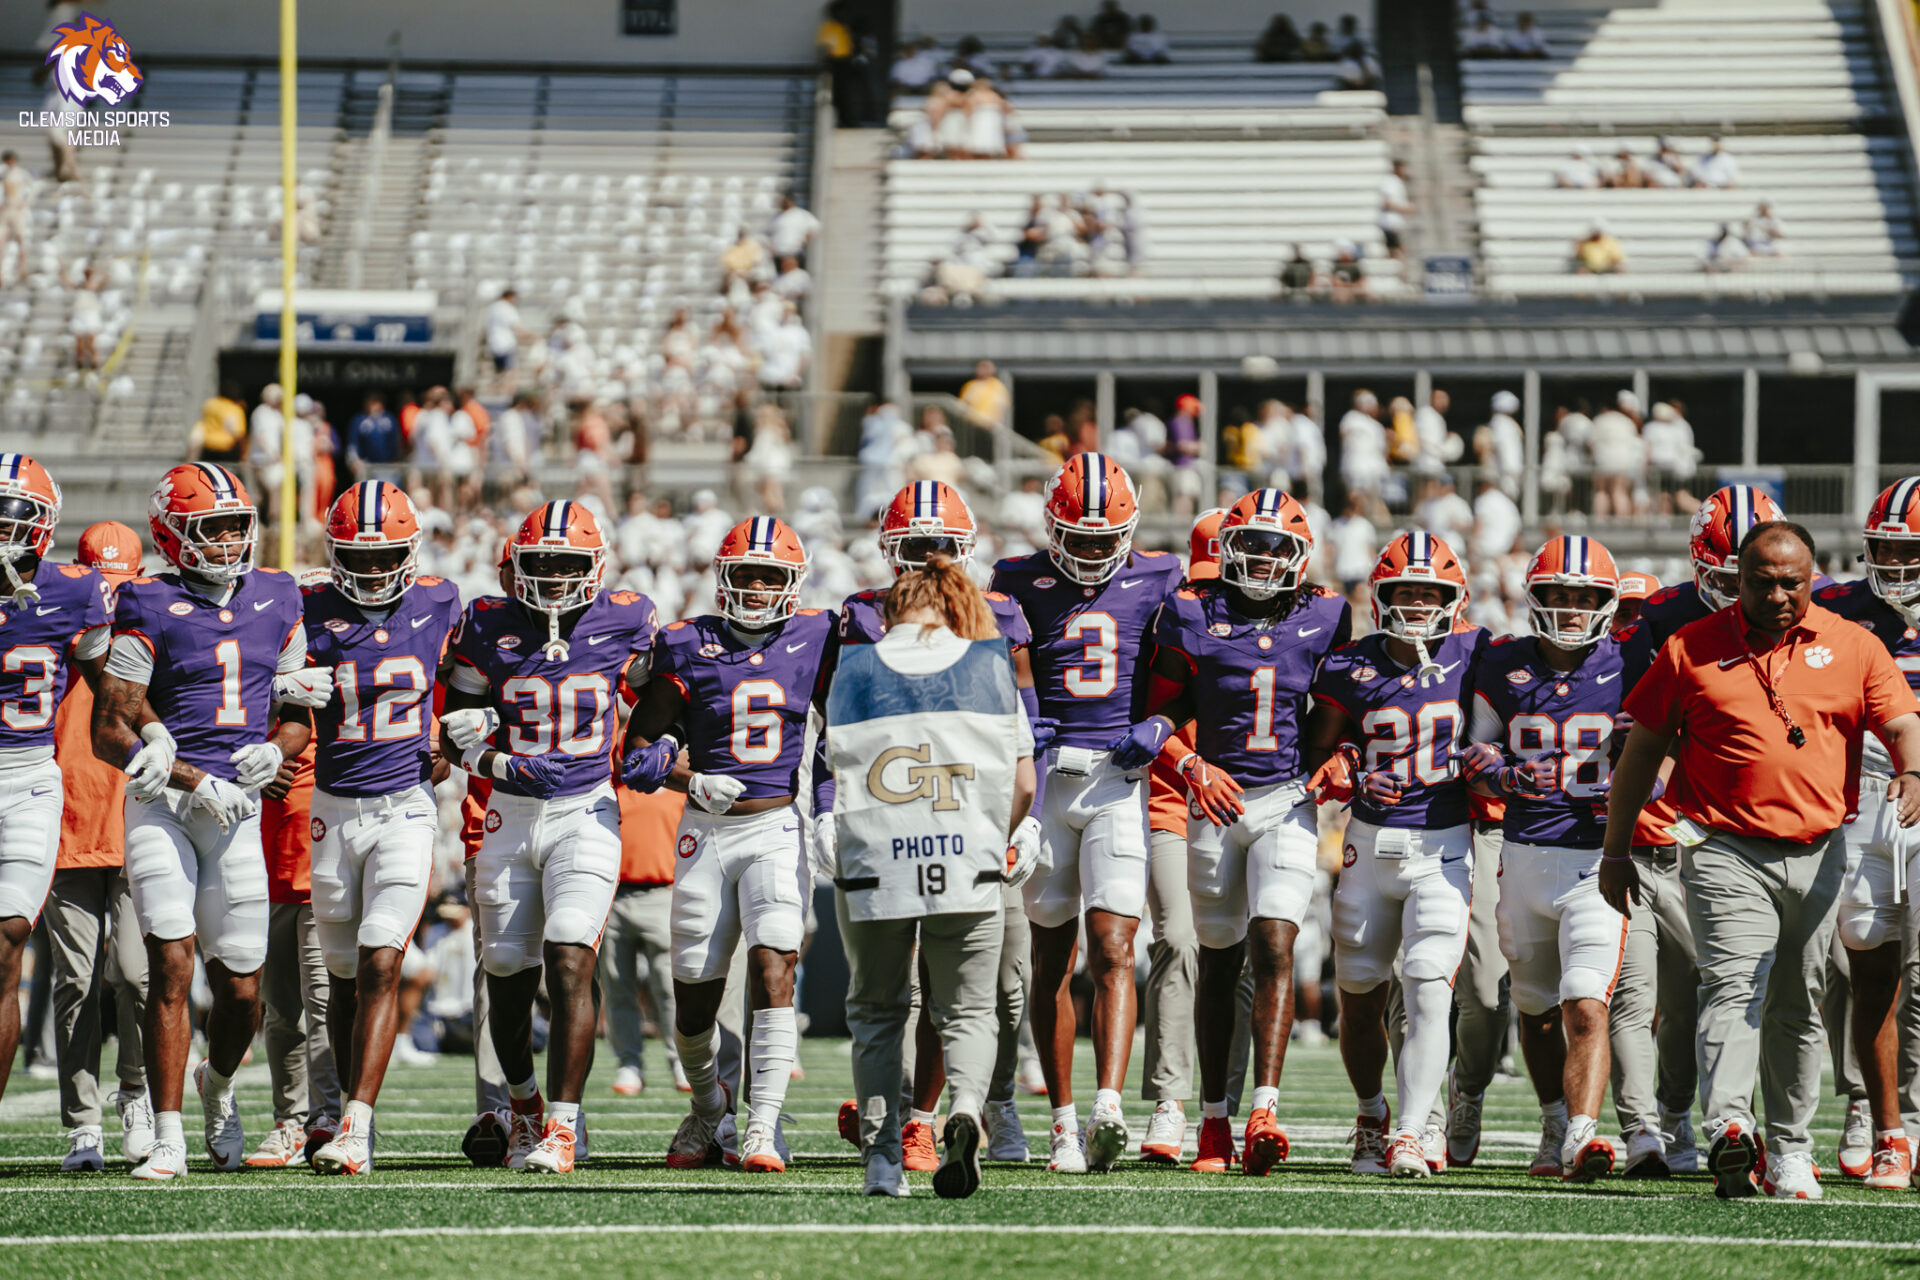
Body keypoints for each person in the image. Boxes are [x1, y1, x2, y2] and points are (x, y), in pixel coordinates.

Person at [1603, 521, 1920, 1201]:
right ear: (1736, 580)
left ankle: (1789, 1149)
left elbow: (1901, 720)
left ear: (1813, 579)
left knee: (1798, 1002)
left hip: (1819, 847)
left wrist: (1913, 769)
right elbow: (1640, 752)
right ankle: (1730, 1124)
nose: (1777, 596)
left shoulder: (1853, 643)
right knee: (1732, 982)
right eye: (1761, 582)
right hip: (1721, 845)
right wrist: (1615, 848)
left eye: (1791, 583)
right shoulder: (1690, 646)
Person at [91, 463, 314, 1181]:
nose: (225, 541)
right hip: (166, 807)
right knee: (171, 965)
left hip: (238, 811)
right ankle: (168, 1136)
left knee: (244, 988)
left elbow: (298, 715)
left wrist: (274, 749)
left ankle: (216, 1086)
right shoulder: (148, 601)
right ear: (170, 534)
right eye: (209, 528)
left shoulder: (278, 594)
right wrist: (187, 774)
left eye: (233, 526)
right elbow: (109, 727)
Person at [831, 483, 1047, 1170]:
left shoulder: (997, 617)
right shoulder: (863, 616)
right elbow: (1023, 757)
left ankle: (900, 1132)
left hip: (896, 833)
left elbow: (834, 747)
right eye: (916, 547)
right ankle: (943, 1113)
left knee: (894, 1001)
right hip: (969, 830)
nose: (928, 559)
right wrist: (1014, 824)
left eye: (940, 546)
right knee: (966, 999)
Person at [442, 501, 659, 1174]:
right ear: (519, 564)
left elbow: (659, 702)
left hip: (586, 810)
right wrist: (498, 763)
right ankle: (525, 1105)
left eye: (568, 562)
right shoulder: (486, 621)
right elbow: (453, 731)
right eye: (542, 562)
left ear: (594, 565)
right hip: (510, 810)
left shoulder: (627, 617)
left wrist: (658, 744)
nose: (556, 575)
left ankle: (562, 1127)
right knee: (506, 973)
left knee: (570, 956)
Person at [1143, 491, 1351, 1175]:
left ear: (1300, 556)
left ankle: (1264, 1108)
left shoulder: (1327, 614)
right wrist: (1191, 765)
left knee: (1276, 943)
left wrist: (1345, 756)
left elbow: (1347, 704)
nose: (1263, 558)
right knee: (1218, 959)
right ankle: (1212, 1121)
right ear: (1227, 550)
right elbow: (1157, 713)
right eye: (1252, 545)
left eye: (1277, 547)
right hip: (1214, 800)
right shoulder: (1191, 611)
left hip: (1285, 800)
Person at [991, 454, 1183, 1172]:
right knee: (1050, 958)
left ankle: (1108, 1107)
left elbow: (1192, 672)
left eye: (1105, 540)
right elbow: (989, 672)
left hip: (1116, 781)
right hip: (1047, 782)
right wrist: (1014, 724)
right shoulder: (1014, 579)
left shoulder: (1160, 577)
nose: (1093, 552)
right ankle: (1062, 1123)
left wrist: (1163, 723)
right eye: (1079, 537)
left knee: (1114, 946)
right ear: (1052, 527)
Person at [624, 517, 833, 1174]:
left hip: (776, 827)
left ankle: (764, 1124)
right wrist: (688, 777)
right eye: (747, 574)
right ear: (724, 576)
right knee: (693, 1000)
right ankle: (710, 1107)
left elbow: (840, 732)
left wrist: (828, 810)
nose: (758, 587)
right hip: (705, 831)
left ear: (792, 582)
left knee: (775, 965)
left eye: (771, 575)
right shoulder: (687, 642)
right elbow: (636, 753)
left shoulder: (818, 635)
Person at [1611, 485, 1787, 1180]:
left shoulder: (1807, 616)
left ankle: (1758, 1126)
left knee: (1742, 988)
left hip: (1755, 827)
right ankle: (1664, 1123)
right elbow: (1630, 729)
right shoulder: (1659, 620)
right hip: (1676, 827)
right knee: (1658, 994)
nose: (1750, 593)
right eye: (1732, 576)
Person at [1303, 532, 1486, 1177]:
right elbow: (1315, 751)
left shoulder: (1478, 653)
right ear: (1380, 596)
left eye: (1429, 592)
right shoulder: (1349, 666)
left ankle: (1411, 1131)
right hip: (1367, 845)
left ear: (1454, 598)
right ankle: (1370, 1113)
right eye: (1405, 591)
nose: (1416, 604)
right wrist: (1349, 766)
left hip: (1444, 844)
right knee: (1359, 996)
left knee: (1430, 987)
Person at [297, 483, 462, 1175]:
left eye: (385, 556)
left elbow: (469, 680)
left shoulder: (441, 601)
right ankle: (342, 1108)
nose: (371, 570)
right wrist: (283, 690)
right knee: (342, 976)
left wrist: (452, 742)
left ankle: (357, 1124)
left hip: (404, 806)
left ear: (410, 551)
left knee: (382, 959)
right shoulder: (306, 605)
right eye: (358, 557)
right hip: (332, 808)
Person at [1463, 536, 1630, 1181]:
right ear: (1534, 597)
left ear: (1606, 602)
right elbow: (1473, 754)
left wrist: (1632, 783)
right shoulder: (1502, 662)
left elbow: (1664, 752)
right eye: (1556, 594)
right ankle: (1555, 1120)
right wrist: (1500, 772)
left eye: (1583, 596)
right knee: (1533, 1010)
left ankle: (1582, 1135)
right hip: (1524, 853)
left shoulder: (1630, 660)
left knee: (1585, 1001)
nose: (1568, 608)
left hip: (1595, 860)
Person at [0, 461, 117, 1130]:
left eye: (12, 518)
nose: (2, 532)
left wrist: (164, 742)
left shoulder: (75, 591)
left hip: (26, 778)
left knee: (8, 941)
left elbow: (113, 689)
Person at [1816, 481, 1920, 1187]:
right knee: (1863, 965)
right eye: (1884, 548)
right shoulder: (1836, 609)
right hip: (1860, 801)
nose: (1894, 563)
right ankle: (1881, 1121)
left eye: (1908, 551)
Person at [45, 521, 153, 1172]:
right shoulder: (54, 630)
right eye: (101, 582)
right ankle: (83, 1123)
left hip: (140, 821)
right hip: (67, 824)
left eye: (120, 583)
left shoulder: (150, 635)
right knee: (75, 984)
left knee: (138, 976)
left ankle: (136, 1092)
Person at [601, 776, 688, 1098]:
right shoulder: (613, 790)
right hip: (615, 894)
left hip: (663, 893)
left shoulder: (679, 792)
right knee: (617, 986)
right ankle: (629, 1063)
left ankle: (681, 1060)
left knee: (670, 987)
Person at [484, 289, 530, 394]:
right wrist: (531, 336)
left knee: (499, 371)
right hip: (506, 343)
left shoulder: (492, 308)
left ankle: (495, 391)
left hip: (493, 342)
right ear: (510, 297)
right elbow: (515, 327)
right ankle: (509, 394)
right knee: (512, 370)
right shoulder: (508, 309)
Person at [346, 393, 401, 478]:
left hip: (388, 465)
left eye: (376, 401)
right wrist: (354, 459)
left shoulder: (389, 419)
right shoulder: (359, 420)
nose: (374, 405)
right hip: (367, 465)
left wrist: (398, 459)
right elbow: (353, 443)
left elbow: (397, 441)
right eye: (371, 402)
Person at [190, 384, 248, 465]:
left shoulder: (210, 404)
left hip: (207, 447)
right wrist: (243, 454)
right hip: (225, 450)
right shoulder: (234, 409)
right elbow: (238, 434)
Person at [0, 150, 30, 285]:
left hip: (17, 210)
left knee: (21, 240)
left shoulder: (21, 174)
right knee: (2, 241)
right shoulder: (2, 173)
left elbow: (30, 188)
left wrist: (25, 202)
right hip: (5, 210)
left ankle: (22, 270)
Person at [958, 360, 1010, 428]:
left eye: (987, 367)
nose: (983, 370)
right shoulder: (970, 386)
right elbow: (963, 406)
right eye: (981, 367)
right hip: (973, 425)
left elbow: (1001, 409)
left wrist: (995, 423)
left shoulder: (999, 387)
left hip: (991, 427)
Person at [1379, 160, 1413, 261]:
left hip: (1395, 221)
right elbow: (1387, 203)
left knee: (1396, 249)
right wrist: (1405, 208)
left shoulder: (1396, 181)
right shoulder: (1391, 181)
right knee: (1397, 250)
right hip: (1391, 222)